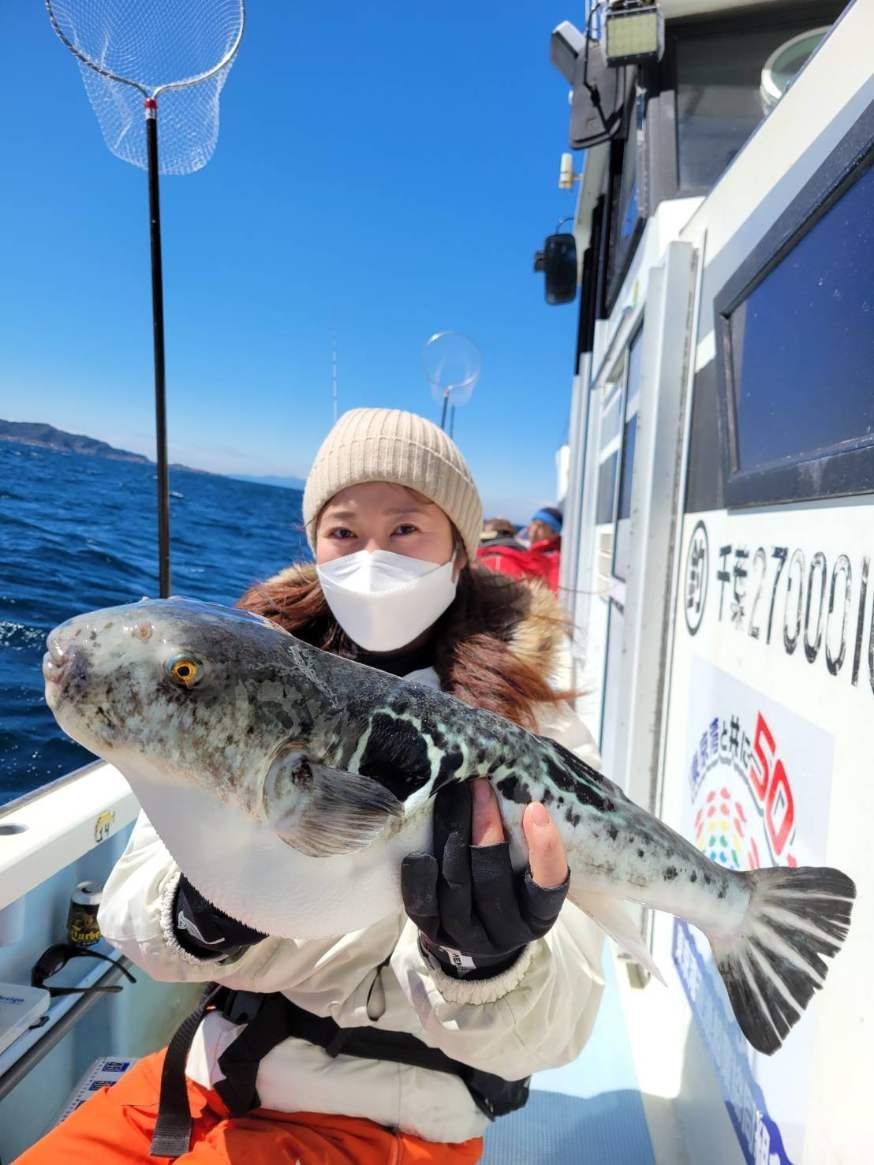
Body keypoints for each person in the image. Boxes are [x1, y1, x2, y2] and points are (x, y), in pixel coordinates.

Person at [17, 409, 603, 1165]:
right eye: (343, 531)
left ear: (460, 548)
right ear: (314, 545)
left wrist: (488, 964)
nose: (371, 557)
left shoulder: (529, 725)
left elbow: (564, 1024)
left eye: (405, 529)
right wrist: (198, 913)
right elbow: (135, 911)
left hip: (389, 1118)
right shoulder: (240, 685)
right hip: (201, 1075)